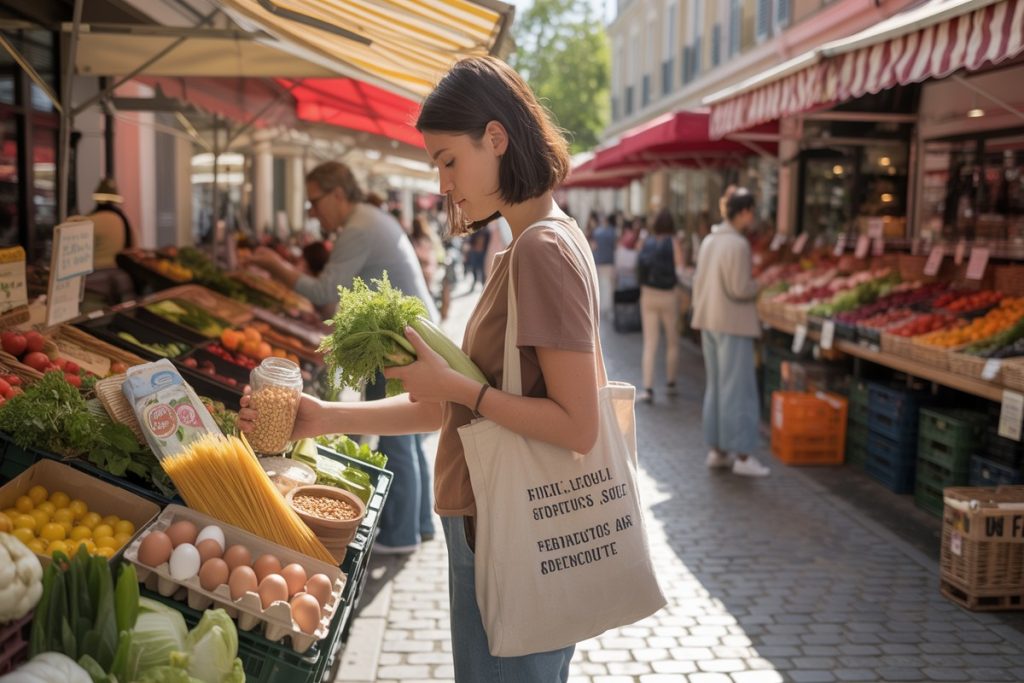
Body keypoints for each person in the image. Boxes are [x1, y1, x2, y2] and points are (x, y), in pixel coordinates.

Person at [239, 55, 598, 682]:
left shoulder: (541, 249)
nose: (442, 184)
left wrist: (462, 389)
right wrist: (322, 417)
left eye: (447, 160)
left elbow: (577, 425)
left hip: (511, 531)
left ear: (496, 137)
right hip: (494, 524)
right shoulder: (530, 245)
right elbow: (447, 405)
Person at [247, 161, 438, 553]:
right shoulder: (369, 218)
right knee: (410, 435)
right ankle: (418, 525)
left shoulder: (359, 227)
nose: (313, 212)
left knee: (396, 436)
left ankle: (402, 534)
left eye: (315, 202)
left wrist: (274, 266)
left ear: (337, 194)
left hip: (396, 344)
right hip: (404, 338)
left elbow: (323, 290)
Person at [691, 188, 770, 477]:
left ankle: (718, 450)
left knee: (716, 386)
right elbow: (740, 289)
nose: (753, 217)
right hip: (733, 323)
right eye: (752, 211)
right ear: (745, 211)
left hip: (709, 320)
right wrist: (759, 284)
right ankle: (743, 456)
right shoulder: (737, 245)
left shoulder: (710, 241)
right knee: (738, 390)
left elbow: (699, 282)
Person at [636, 209, 683, 404]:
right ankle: (670, 383)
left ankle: (648, 388)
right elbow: (680, 267)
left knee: (650, 343)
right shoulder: (674, 243)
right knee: (672, 341)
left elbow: (638, 262)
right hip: (668, 295)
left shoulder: (647, 242)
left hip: (648, 294)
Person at [83, 178, 138, 304]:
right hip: (122, 279)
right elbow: (133, 248)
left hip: (93, 282)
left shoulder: (90, 220)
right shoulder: (124, 220)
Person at [589, 212, 617, 315]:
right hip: (609, 262)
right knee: (609, 287)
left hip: (599, 262)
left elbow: (594, 247)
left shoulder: (597, 232)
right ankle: (608, 307)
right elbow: (615, 247)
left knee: (601, 285)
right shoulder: (612, 232)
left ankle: (601, 307)